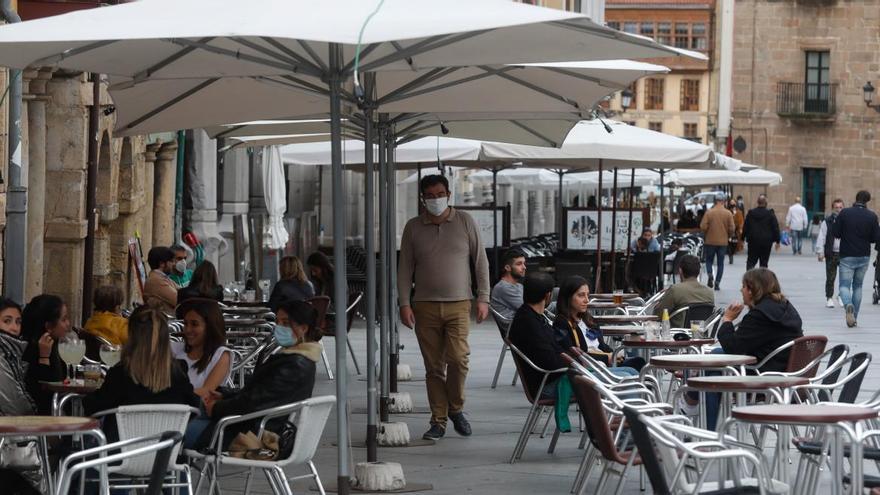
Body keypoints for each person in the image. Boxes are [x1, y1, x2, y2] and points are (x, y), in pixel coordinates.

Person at [398, 174, 490, 441]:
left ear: (449, 195)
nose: (436, 199)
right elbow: (404, 268)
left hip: (459, 303)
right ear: (422, 199)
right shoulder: (413, 227)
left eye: (440, 194)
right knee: (434, 367)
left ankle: (456, 408)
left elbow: (480, 260)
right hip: (424, 305)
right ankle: (438, 419)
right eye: (430, 195)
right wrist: (404, 302)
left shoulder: (464, 221)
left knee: (459, 360)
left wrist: (483, 297)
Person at [193, 300, 322, 449]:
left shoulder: (294, 365)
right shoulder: (295, 359)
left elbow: (253, 403)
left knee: (176, 433)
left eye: (286, 323)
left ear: (303, 328)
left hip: (251, 433)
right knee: (189, 415)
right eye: (277, 322)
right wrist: (224, 395)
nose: (278, 327)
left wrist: (217, 408)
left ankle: (178, 470)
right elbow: (260, 393)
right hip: (249, 425)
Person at [686, 268, 803, 430]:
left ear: (752, 289)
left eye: (743, 286)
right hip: (783, 370)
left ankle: (700, 418)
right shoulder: (786, 307)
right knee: (713, 358)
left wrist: (727, 320)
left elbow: (733, 348)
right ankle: (693, 405)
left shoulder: (760, 315)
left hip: (763, 376)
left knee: (711, 370)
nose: (741, 290)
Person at [83, 307, 199, 442]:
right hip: (165, 457)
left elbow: (93, 407)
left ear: (131, 336)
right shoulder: (178, 372)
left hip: (118, 457)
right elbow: (194, 406)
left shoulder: (121, 374)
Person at [552, 276, 644, 371]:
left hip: (605, 363)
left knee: (639, 362)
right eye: (581, 295)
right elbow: (573, 355)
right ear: (568, 297)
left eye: (588, 295)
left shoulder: (588, 319)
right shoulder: (562, 323)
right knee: (632, 371)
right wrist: (607, 357)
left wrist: (615, 354)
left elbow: (602, 346)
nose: (587, 300)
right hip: (591, 368)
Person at [0, 298, 42, 495]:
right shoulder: (2, 354)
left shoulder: (12, 352)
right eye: (6, 321)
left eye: (18, 321)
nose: (14, 327)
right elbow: (16, 404)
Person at [507, 272, 567, 400]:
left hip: (550, 380)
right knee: (604, 384)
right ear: (548, 295)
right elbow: (550, 362)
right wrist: (577, 364)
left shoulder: (529, 316)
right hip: (547, 386)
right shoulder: (530, 324)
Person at [832, 190, 880, 327]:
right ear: (867, 201)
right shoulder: (872, 216)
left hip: (847, 254)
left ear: (856, 198)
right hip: (863, 255)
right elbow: (875, 238)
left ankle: (848, 305)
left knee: (844, 285)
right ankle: (854, 317)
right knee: (858, 286)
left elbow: (836, 233)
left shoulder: (845, 213)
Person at [172, 298, 231, 401]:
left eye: (194, 324)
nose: (188, 330)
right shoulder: (175, 348)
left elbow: (206, 391)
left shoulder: (221, 355)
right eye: (185, 324)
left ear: (210, 326)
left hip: (198, 413)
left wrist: (168, 396)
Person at [21, 295, 71, 414]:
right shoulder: (28, 350)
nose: (68, 324)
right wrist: (44, 358)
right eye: (63, 319)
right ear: (48, 326)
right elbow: (42, 394)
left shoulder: (57, 346)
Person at [653, 255, 715, 328]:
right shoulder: (710, 292)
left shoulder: (675, 290)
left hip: (677, 335)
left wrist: (663, 297)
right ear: (698, 271)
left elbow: (657, 316)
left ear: (680, 271)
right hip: (699, 335)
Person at [700, 194, 735, 290]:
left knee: (709, 260)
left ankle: (710, 274)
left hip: (710, 241)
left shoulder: (709, 212)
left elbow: (703, 226)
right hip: (723, 242)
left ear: (715, 201)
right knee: (720, 263)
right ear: (723, 201)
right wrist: (729, 235)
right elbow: (732, 228)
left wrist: (708, 230)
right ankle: (717, 282)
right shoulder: (728, 213)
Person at [816, 199, 844, 308]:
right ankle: (829, 297)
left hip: (844, 253)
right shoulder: (827, 221)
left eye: (840, 207)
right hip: (831, 252)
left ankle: (841, 296)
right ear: (833, 208)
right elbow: (821, 236)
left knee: (844, 277)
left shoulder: (846, 220)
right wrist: (820, 252)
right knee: (830, 277)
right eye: (836, 207)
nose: (838, 209)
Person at [742, 195, 781, 270]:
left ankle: (749, 278)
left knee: (751, 261)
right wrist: (777, 241)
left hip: (753, 241)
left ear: (757, 202)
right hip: (766, 242)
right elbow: (775, 228)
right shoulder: (770, 214)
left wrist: (742, 238)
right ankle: (762, 280)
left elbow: (746, 226)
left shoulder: (751, 213)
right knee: (764, 263)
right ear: (766, 203)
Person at [490, 249, 526, 321]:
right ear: (507, 268)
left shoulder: (518, 286)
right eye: (519, 264)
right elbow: (529, 309)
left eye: (524, 263)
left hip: (526, 324)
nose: (524, 267)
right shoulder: (503, 287)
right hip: (518, 328)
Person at [143, 246, 178, 314]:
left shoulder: (162, 277)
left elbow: (181, 290)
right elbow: (178, 299)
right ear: (162, 264)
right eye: (171, 261)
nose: (174, 264)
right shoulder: (156, 280)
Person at [726, 198, 745, 264]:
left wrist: (740, 228)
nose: (732, 204)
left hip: (736, 231)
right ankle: (730, 255)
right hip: (728, 230)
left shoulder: (738, 212)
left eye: (733, 203)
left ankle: (733, 251)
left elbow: (741, 222)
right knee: (729, 243)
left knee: (734, 243)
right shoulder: (727, 211)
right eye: (731, 203)